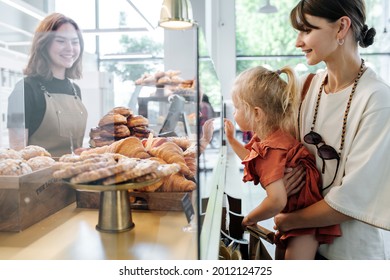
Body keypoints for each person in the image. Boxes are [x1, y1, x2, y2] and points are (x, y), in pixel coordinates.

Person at [274, 0, 390, 260]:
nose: (298, 42)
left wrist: (288, 221)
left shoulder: (377, 99)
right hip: (303, 247)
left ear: (341, 28)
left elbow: (354, 200)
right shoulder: (307, 86)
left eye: (306, 30)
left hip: (349, 256)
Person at [224, 65, 341, 260]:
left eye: (237, 107)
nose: (234, 113)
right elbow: (252, 158)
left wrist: (249, 218)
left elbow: (277, 200)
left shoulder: (272, 150)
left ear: (257, 113)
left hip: (304, 223)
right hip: (294, 216)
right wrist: (232, 140)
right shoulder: (273, 139)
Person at [7, 13, 87, 157]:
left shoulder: (75, 90)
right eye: (61, 41)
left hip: (74, 175)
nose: (70, 48)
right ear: (44, 44)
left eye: (75, 42)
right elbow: (16, 154)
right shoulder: (23, 90)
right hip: (38, 178)